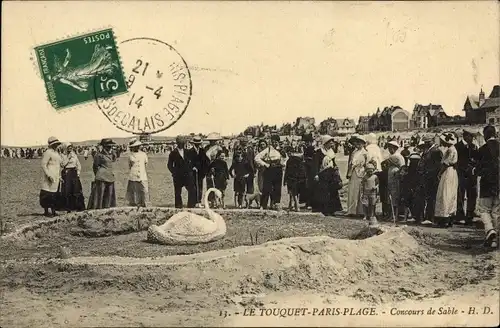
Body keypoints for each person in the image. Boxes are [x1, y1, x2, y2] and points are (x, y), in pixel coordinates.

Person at [474, 125, 499, 249]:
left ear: (485, 135)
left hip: (486, 184)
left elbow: (478, 169)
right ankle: (495, 240)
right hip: (499, 183)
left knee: (484, 210)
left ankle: (490, 231)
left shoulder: (482, 150)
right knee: (496, 211)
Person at [310, 135, 343, 215]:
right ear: (325, 143)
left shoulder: (331, 152)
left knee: (332, 191)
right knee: (324, 191)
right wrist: (315, 174)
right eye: (329, 142)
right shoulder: (319, 152)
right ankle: (325, 209)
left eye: (331, 142)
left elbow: (333, 162)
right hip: (323, 174)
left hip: (331, 173)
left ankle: (332, 209)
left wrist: (336, 169)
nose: (331, 144)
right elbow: (315, 164)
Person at [414, 135, 443, 225]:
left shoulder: (435, 151)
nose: (426, 144)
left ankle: (431, 217)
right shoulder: (429, 151)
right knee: (428, 197)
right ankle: (428, 216)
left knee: (432, 197)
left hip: (432, 177)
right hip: (427, 177)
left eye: (427, 142)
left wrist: (429, 172)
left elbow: (438, 165)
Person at [433, 132, 459, 227]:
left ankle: (444, 218)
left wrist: (439, 173)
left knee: (445, 193)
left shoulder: (450, 150)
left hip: (448, 172)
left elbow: (446, 163)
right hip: (452, 172)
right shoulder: (452, 149)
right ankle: (450, 216)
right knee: (450, 193)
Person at [455, 128, 479, 225]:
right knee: (460, 195)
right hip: (461, 173)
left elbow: (477, 160)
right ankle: (460, 216)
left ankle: (470, 215)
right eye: (471, 136)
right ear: (465, 136)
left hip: (472, 175)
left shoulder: (474, 147)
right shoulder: (457, 147)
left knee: (472, 194)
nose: (472, 139)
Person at [167, 136, 197, 208]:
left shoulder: (187, 151)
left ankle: (191, 205)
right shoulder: (173, 153)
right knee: (178, 192)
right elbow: (169, 165)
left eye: (183, 143)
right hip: (178, 176)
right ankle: (178, 206)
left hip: (187, 175)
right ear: (177, 143)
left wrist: (192, 168)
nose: (182, 144)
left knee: (192, 190)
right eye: (180, 143)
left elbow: (192, 161)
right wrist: (174, 172)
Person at [255, 134, 283, 210]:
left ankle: (275, 204)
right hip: (269, 170)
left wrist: (283, 164)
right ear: (271, 142)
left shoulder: (281, 150)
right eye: (273, 142)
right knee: (267, 188)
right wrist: (265, 164)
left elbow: (286, 158)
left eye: (276, 142)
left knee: (277, 188)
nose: (275, 144)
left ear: (278, 142)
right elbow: (257, 158)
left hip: (278, 170)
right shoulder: (268, 150)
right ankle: (263, 205)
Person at [87, 138, 117, 209]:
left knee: (109, 193)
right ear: (104, 146)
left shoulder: (111, 154)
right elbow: (95, 166)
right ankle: (98, 208)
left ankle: (107, 207)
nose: (110, 148)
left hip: (110, 176)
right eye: (108, 146)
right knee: (100, 194)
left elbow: (114, 159)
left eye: (110, 146)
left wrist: (113, 152)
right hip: (102, 176)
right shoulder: (99, 155)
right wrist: (97, 175)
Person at [382, 140, 405, 222]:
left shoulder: (397, 156)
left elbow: (402, 168)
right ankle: (391, 215)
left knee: (394, 197)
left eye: (390, 148)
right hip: (391, 177)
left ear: (394, 148)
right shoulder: (394, 156)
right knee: (390, 196)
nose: (389, 150)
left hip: (395, 178)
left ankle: (394, 215)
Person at [40, 136, 63, 217]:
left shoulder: (56, 153)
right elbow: (43, 164)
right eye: (55, 144)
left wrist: (60, 176)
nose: (56, 145)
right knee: (47, 193)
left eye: (57, 144)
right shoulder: (48, 152)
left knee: (54, 194)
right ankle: (46, 211)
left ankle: (53, 211)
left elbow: (58, 165)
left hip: (56, 175)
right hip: (49, 174)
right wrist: (48, 175)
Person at [346, 134, 368, 217]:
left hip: (361, 172)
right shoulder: (354, 152)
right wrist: (349, 172)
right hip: (353, 172)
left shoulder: (365, 153)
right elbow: (350, 163)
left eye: (360, 143)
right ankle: (351, 210)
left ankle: (360, 211)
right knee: (352, 191)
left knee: (360, 191)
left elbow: (367, 164)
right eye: (357, 143)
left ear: (363, 144)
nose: (358, 145)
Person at [61, 142, 85, 212]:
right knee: (68, 190)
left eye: (71, 147)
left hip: (74, 173)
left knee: (76, 189)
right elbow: (63, 165)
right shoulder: (62, 155)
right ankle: (69, 207)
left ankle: (78, 206)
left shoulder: (74, 154)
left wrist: (78, 172)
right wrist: (68, 158)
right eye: (68, 147)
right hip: (67, 173)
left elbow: (78, 164)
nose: (70, 148)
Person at [126, 139, 149, 207]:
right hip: (133, 175)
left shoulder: (143, 154)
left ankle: (144, 203)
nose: (136, 147)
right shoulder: (130, 155)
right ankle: (134, 204)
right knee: (134, 191)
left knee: (144, 190)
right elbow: (129, 165)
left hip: (142, 175)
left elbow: (146, 163)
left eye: (137, 146)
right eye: (134, 146)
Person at [283, 145, 306, 212]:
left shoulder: (290, 160)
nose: (288, 154)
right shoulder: (298, 159)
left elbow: (287, 171)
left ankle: (296, 206)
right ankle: (290, 205)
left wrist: (285, 180)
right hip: (297, 178)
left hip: (292, 178)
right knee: (293, 192)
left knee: (293, 193)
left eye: (288, 152)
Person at [190, 136, 209, 207]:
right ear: (194, 144)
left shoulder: (202, 151)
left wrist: (204, 170)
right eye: (196, 143)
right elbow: (188, 161)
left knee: (200, 187)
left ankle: (199, 202)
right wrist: (192, 167)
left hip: (200, 173)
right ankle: (194, 202)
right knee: (194, 187)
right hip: (193, 173)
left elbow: (206, 161)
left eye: (199, 143)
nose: (198, 145)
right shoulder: (190, 151)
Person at [301, 133, 316, 209]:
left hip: (310, 168)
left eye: (308, 141)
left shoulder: (312, 149)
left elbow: (313, 159)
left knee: (310, 185)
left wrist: (306, 160)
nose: (307, 143)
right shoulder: (306, 148)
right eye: (306, 141)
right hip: (306, 168)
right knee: (306, 185)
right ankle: (308, 202)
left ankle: (310, 203)